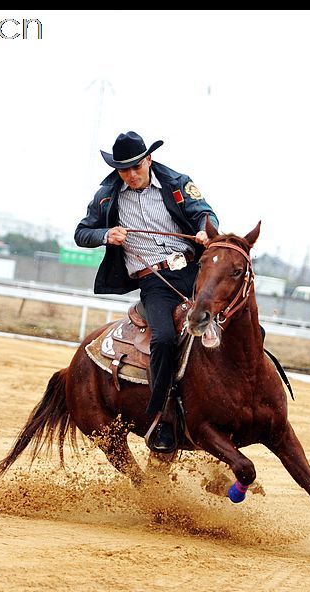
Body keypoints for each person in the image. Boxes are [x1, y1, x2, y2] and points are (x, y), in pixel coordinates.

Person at [74, 131, 219, 454]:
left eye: (136, 166)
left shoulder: (177, 183)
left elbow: (204, 212)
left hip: (194, 270)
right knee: (164, 339)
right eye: (123, 169)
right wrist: (105, 234)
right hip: (154, 281)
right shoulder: (107, 196)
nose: (130, 174)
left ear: (149, 159)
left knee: (241, 326)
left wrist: (203, 229)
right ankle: (162, 418)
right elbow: (81, 233)